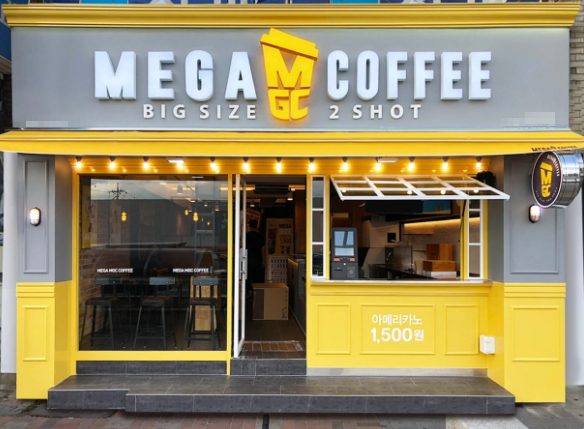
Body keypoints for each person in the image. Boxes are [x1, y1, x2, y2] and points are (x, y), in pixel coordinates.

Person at [246, 219, 264, 294]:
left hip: (248, 259)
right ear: (256, 226)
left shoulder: (247, 235)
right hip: (257, 259)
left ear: (250, 226)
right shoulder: (260, 236)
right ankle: (257, 292)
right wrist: (263, 260)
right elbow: (263, 249)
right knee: (257, 277)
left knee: (248, 277)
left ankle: (248, 292)